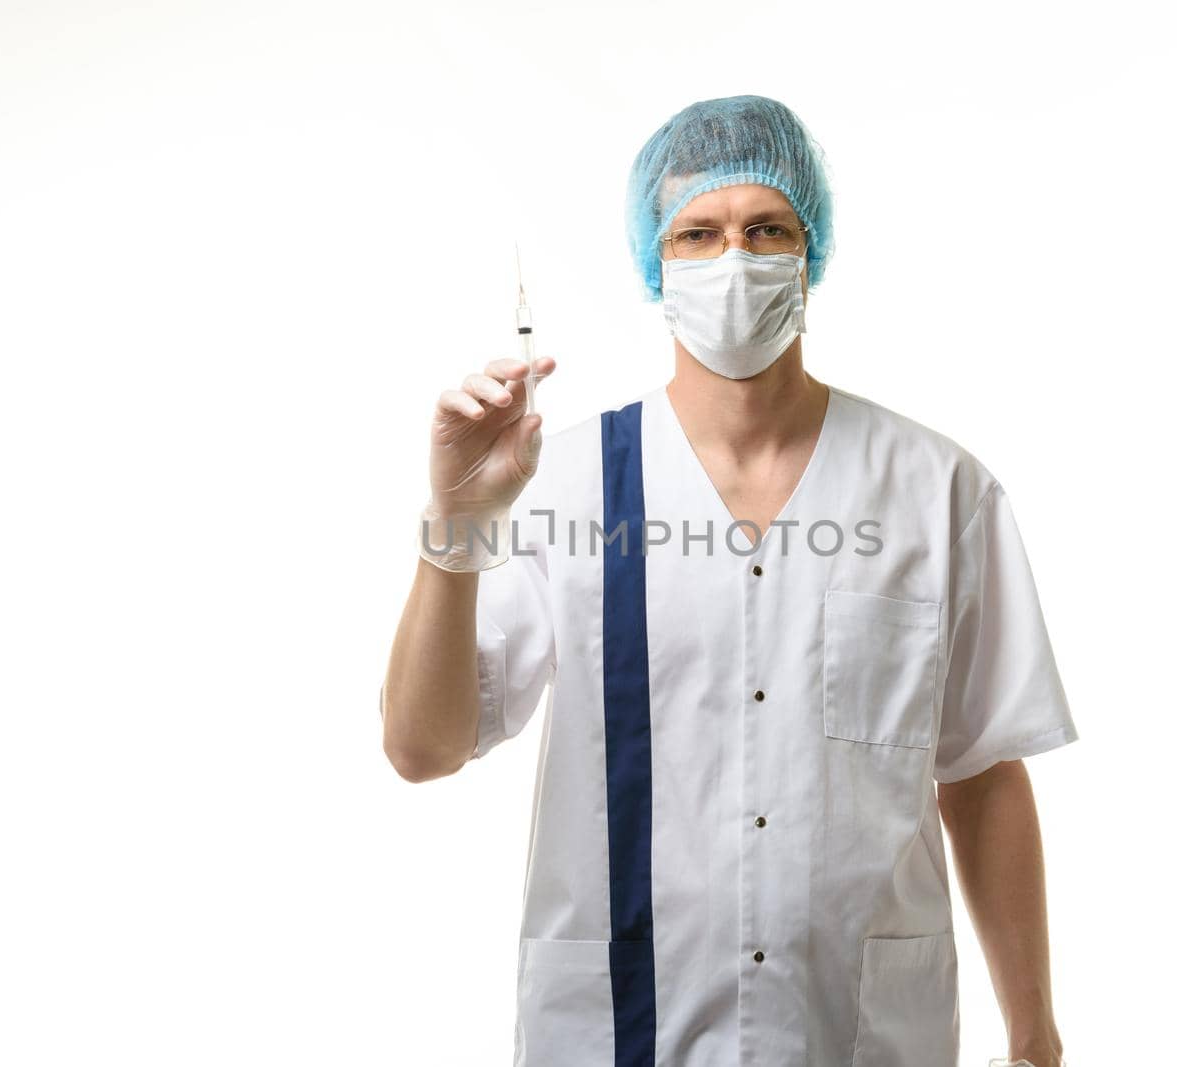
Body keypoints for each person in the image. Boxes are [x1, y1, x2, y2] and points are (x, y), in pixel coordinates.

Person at [382, 94, 1077, 1067]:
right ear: (654, 263)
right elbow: (422, 745)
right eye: (697, 233)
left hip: (862, 1033)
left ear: (811, 249)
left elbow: (984, 771)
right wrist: (454, 520)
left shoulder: (935, 488)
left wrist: (1036, 1040)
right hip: (621, 1031)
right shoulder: (568, 483)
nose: (734, 258)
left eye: (766, 228)